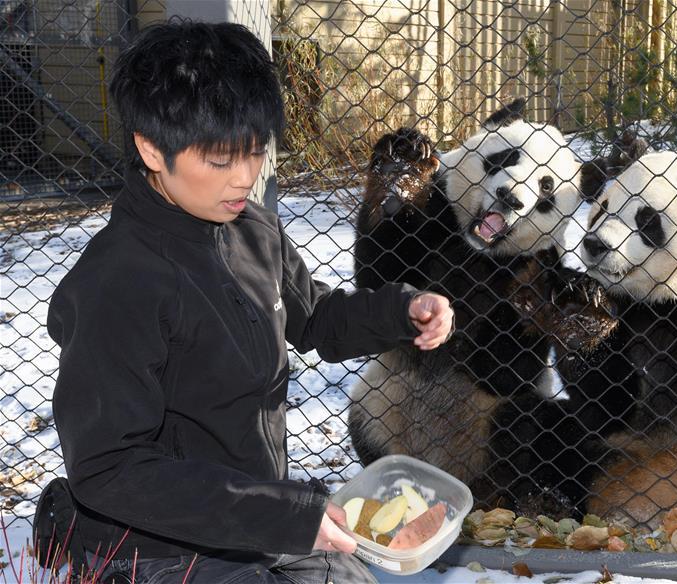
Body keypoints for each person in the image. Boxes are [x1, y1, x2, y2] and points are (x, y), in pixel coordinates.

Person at [38, 20, 454, 584]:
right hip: (156, 544)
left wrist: (401, 312)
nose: (244, 178)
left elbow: (320, 320)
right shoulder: (119, 283)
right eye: (219, 160)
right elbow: (111, 468)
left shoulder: (252, 230)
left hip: (253, 518)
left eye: (255, 152)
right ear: (151, 148)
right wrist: (280, 515)